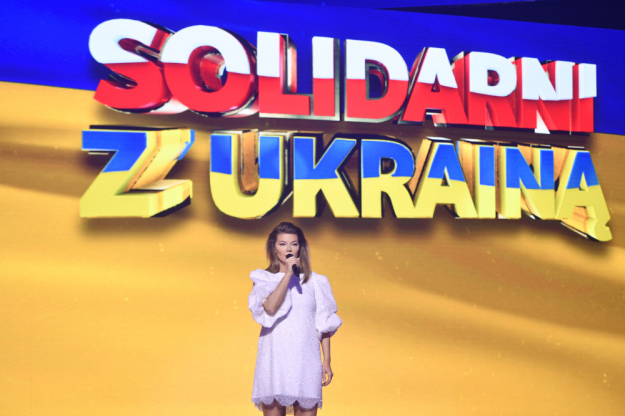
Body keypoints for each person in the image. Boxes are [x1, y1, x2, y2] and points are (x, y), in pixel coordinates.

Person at [248, 222, 342, 416]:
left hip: (306, 360)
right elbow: (270, 308)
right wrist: (288, 275)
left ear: (301, 247)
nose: (288, 249)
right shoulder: (264, 279)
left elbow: (323, 323)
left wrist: (327, 360)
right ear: (274, 248)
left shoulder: (317, 281)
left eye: (294, 244)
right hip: (274, 359)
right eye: (282, 244)